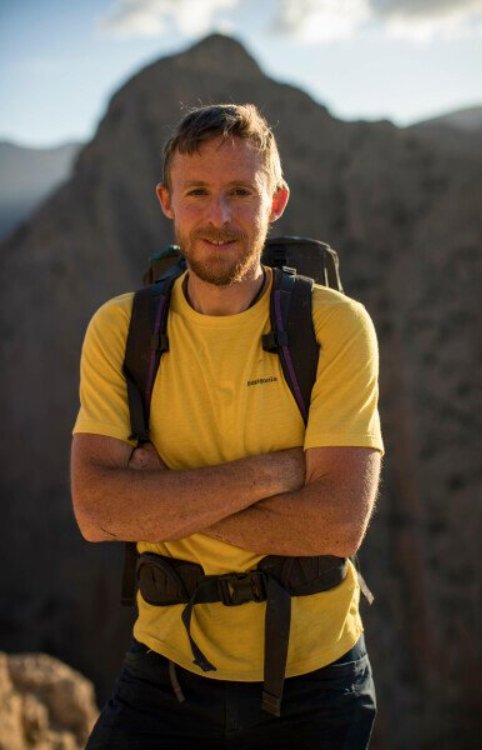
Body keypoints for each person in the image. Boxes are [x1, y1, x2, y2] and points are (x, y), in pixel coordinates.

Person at [71, 103, 384, 749]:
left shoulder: (333, 325)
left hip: (316, 676)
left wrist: (158, 503)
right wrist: (272, 472)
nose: (219, 217)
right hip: (166, 667)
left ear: (276, 202)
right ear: (167, 201)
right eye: (199, 193)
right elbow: (95, 509)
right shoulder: (120, 329)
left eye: (241, 192)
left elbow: (336, 525)